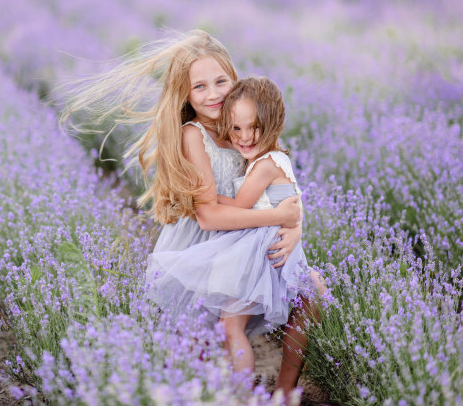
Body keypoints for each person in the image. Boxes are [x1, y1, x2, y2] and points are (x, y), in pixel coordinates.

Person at [61, 30, 305, 394]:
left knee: (312, 294)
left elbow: (286, 191)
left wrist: (295, 227)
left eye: (221, 81)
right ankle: (216, 396)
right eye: (200, 87)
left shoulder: (245, 127)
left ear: (234, 79)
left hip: (245, 240)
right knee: (199, 347)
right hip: (203, 247)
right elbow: (209, 217)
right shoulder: (194, 135)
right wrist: (278, 218)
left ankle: (287, 394)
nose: (214, 94)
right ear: (186, 95)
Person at [149, 76, 326, 397]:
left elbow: (248, 206)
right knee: (229, 327)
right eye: (237, 129)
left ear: (275, 123)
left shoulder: (263, 166)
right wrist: (292, 222)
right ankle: (267, 393)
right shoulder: (273, 158)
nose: (245, 137)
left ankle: (240, 393)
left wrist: (202, 199)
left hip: (257, 250)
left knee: (232, 329)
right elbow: (293, 204)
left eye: (255, 127)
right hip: (263, 244)